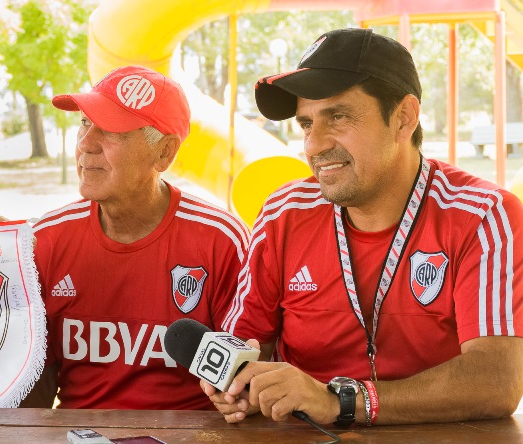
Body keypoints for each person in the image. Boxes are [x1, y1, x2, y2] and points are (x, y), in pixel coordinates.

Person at [204, 28, 523, 426]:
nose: (313, 145)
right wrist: (235, 384)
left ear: (404, 118)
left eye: (337, 117)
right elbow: (243, 346)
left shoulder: (483, 213)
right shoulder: (283, 212)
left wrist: (342, 401)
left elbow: (496, 380)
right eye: (306, 123)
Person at [27, 65, 250, 409]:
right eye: (84, 123)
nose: (85, 145)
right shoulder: (44, 240)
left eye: (111, 130)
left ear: (164, 152)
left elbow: (242, 382)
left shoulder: (220, 240)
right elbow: (33, 386)